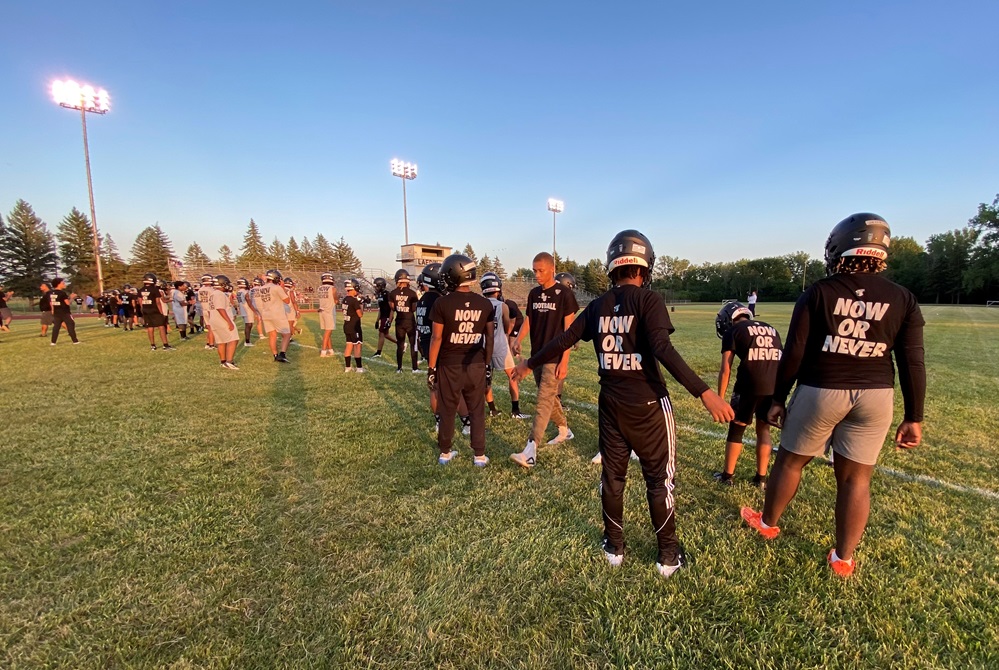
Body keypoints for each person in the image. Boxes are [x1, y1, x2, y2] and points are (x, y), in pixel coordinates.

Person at [513, 230, 733, 577]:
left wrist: (529, 362)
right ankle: (668, 556)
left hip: (610, 404)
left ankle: (614, 546)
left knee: (613, 478)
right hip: (647, 406)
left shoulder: (598, 305)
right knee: (659, 481)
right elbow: (662, 348)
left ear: (611, 266)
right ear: (644, 267)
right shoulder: (649, 300)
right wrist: (704, 392)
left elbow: (564, 339)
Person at [741, 213, 925, 578]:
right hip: (876, 395)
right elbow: (912, 361)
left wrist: (778, 397)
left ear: (840, 247)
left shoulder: (820, 292)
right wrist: (914, 415)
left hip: (822, 388)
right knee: (856, 479)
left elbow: (794, 352)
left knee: (791, 462)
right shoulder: (903, 298)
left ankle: (768, 523)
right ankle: (843, 558)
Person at [509, 252, 578, 468]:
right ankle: (564, 430)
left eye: (541, 270)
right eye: (534, 270)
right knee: (549, 398)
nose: (537, 275)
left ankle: (530, 449)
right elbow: (529, 319)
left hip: (555, 357)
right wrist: (518, 338)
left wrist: (564, 361)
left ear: (552, 269)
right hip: (537, 355)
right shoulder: (534, 294)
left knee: (542, 401)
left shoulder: (564, 294)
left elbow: (569, 331)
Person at [428, 254, 494, 466]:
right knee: (477, 409)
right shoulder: (484, 304)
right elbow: (489, 336)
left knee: (447, 408)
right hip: (475, 363)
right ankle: (479, 456)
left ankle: (445, 453)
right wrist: (487, 363)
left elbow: (436, 338)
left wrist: (431, 368)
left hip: (449, 364)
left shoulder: (441, 303)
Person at [713, 301, 783, 488]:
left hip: (748, 385)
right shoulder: (771, 329)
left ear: (729, 318)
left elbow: (725, 369)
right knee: (763, 429)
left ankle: (727, 476)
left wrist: (720, 398)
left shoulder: (733, 331)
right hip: (773, 385)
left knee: (737, 428)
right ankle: (761, 479)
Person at [480, 273, 522, 419]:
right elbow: (506, 327)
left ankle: (492, 409)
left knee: (486, 379)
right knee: (513, 376)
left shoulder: (479, 304)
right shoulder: (502, 305)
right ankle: (515, 410)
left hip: (483, 346)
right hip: (499, 346)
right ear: (498, 288)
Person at [256, 269, 292, 363]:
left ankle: (275, 355)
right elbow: (287, 300)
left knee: (272, 335)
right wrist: (282, 287)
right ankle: (282, 354)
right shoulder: (276, 288)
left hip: (266, 313)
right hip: (277, 313)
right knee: (287, 334)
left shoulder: (261, 288)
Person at [388, 269, 420, 373]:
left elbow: (392, 307)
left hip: (399, 322)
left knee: (400, 345)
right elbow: (414, 308)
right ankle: (414, 368)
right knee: (413, 344)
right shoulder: (412, 293)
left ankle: (399, 368)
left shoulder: (392, 293)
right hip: (410, 321)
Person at [209, 275, 239, 369]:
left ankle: (223, 361)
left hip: (214, 319)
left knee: (221, 341)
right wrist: (229, 322)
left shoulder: (214, 293)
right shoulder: (219, 294)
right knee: (233, 339)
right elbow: (220, 308)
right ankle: (229, 361)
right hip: (221, 320)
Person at [139, 273, 174, 351]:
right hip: (155, 310)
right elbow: (158, 302)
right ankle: (165, 344)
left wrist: (143, 309)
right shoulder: (155, 289)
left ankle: (153, 345)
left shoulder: (141, 289)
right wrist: (161, 312)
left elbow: (140, 301)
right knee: (161, 327)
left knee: (150, 327)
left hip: (146, 310)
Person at [341, 278, 365, 373]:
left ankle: (347, 367)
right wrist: (361, 304)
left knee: (349, 345)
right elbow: (360, 314)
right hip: (354, 326)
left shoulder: (345, 299)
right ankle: (359, 368)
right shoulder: (354, 301)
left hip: (347, 325)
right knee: (357, 346)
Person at [49, 278, 80, 345]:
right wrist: (72, 297)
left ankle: (53, 342)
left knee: (56, 327)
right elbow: (67, 303)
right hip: (65, 312)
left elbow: (51, 303)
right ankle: (75, 341)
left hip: (57, 312)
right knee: (71, 325)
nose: (64, 284)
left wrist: (52, 311)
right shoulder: (62, 293)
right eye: (62, 283)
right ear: (58, 284)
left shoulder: (51, 293)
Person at [371, 277, 397, 357]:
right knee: (384, 334)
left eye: (377, 286)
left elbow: (392, 308)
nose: (375, 288)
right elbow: (381, 309)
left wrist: (389, 320)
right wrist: (377, 320)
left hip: (387, 316)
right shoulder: (380, 295)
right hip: (383, 316)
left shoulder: (387, 294)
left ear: (381, 286)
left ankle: (379, 352)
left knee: (382, 334)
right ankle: (400, 343)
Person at [317, 272, 338, 357]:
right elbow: (336, 300)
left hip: (322, 310)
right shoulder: (332, 288)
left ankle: (330, 350)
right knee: (328, 332)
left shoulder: (319, 288)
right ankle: (323, 351)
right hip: (329, 311)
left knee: (327, 331)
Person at [196, 274, 216, 349]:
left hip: (204, 309)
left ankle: (208, 343)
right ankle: (211, 344)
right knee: (212, 328)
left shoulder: (200, 290)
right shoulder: (211, 290)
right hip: (210, 309)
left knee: (208, 327)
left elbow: (201, 300)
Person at [235, 278, 256, 347]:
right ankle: (247, 341)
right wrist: (254, 311)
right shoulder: (245, 292)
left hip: (242, 309)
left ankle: (247, 340)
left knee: (247, 324)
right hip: (247, 309)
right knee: (248, 325)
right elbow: (249, 302)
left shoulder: (238, 292)